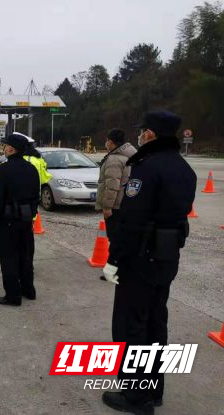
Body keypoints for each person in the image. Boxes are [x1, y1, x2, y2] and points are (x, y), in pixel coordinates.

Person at [101, 111, 196, 415]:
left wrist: (114, 259)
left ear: (151, 134)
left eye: (142, 131)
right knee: (156, 323)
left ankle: (136, 397)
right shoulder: (185, 169)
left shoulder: (145, 168)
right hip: (167, 257)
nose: (139, 136)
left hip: (139, 259)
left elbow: (131, 222)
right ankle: (154, 390)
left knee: (132, 328)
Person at [0, 133, 40, 306]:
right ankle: (28, 290)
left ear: (11, 149)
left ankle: (13, 296)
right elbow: (36, 196)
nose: (4, 148)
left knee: (9, 259)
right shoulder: (32, 169)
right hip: (26, 220)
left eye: (6, 145)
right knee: (26, 256)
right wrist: (30, 214)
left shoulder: (2, 170)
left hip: (7, 221)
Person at [96, 129, 136, 280]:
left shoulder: (114, 160)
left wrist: (107, 207)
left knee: (115, 240)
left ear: (111, 142)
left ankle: (113, 271)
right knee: (123, 239)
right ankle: (123, 267)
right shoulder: (131, 155)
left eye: (107, 140)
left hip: (116, 206)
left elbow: (112, 186)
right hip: (126, 203)